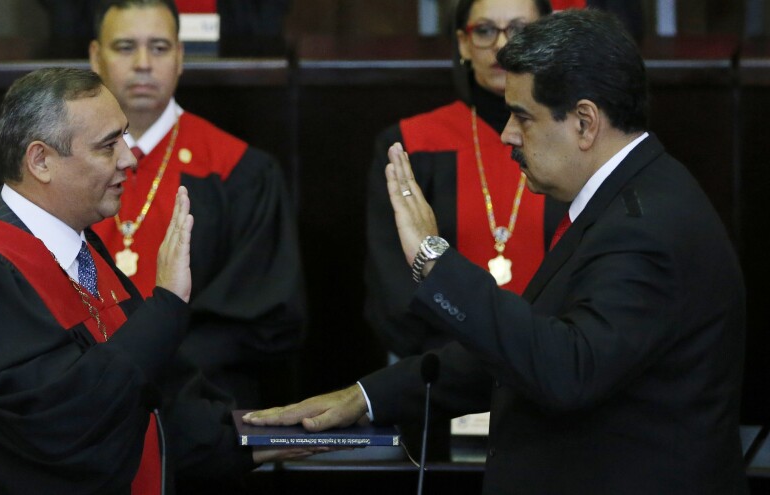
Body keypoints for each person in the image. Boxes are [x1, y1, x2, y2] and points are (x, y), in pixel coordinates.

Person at [246, 9, 748, 494]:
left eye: (522, 117)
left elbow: (563, 370)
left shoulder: (645, 228)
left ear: (585, 123)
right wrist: (365, 398)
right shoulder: (627, 200)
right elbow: (523, 347)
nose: (507, 134)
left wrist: (433, 257)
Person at [0, 67, 312, 495]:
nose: (130, 159)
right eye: (108, 146)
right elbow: (66, 428)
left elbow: (152, 412)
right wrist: (166, 304)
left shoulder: (82, 251)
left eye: (125, 138)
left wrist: (282, 432)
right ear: (41, 160)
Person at [88, 0, 305, 410]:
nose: (143, 64)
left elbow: (263, 318)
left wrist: (144, 365)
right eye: (124, 47)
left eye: (159, 48)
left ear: (181, 57)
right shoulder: (59, 167)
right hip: (79, 399)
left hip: (196, 400)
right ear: (95, 57)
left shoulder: (239, 170)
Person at [366, 0, 564, 360]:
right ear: (462, 43)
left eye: (519, 29)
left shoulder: (575, 140)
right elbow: (394, 288)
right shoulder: (412, 144)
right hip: (441, 368)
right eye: (485, 30)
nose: (502, 47)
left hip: (554, 363)